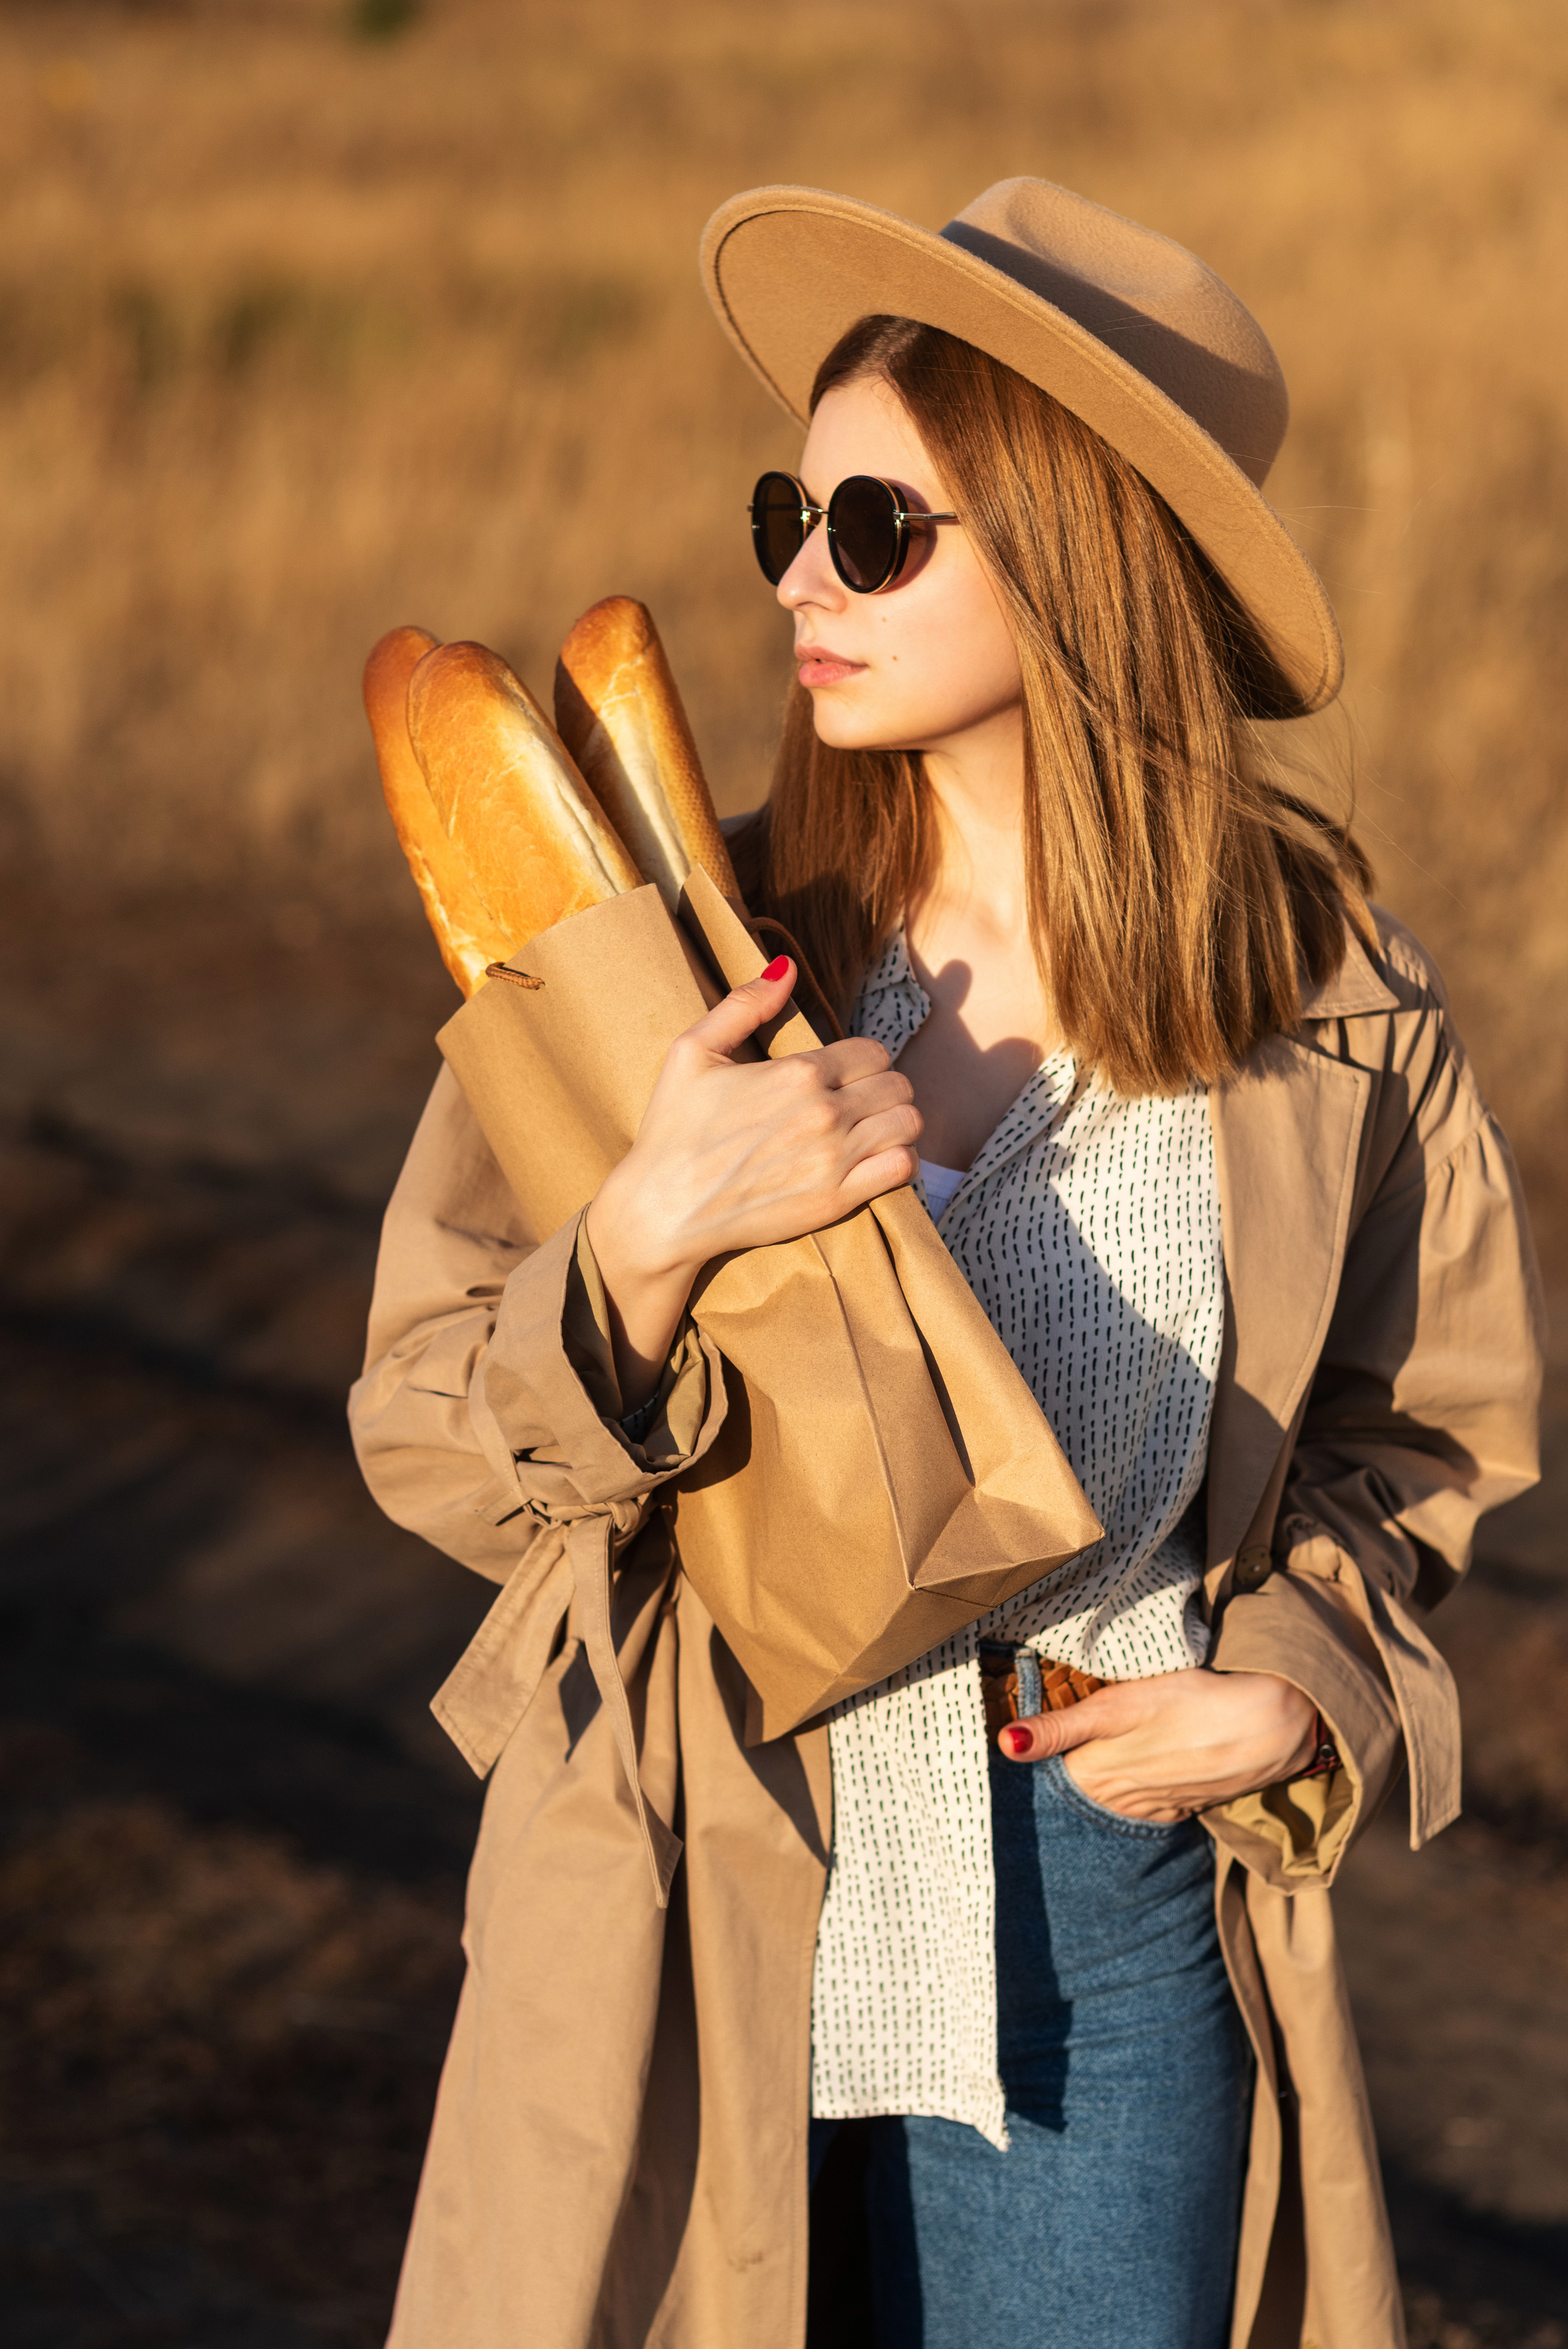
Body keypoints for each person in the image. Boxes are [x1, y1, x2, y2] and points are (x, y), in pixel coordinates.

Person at [350, 180, 1543, 2349]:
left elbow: (1422, 1438)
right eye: (786, 515)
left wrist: (1296, 1685)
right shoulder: (663, 961)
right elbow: (430, 1428)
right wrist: (647, 1232)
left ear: (1081, 565)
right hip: (701, 1902)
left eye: (874, 530)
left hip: (1114, 1940)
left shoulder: (1329, 997)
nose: (799, 577)